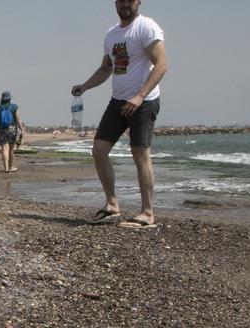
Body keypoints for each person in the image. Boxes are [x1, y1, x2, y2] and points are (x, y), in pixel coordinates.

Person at [72, 0, 168, 229]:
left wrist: (140, 96)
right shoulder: (111, 34)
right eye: (121, 0)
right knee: (99, 149)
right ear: (116, 3)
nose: (125, 4)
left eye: (130, 0)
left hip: (143, 101)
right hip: (118, 101)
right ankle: (112, 204)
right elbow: (107, 68)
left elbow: (161, 64)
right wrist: (85, 86)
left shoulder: (146, 27)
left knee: (140, 153)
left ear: (138, 2)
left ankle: (147, 213)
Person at [0, 92, 21, 173]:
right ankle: (10, 167)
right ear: (10, 98)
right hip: (12, 129)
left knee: (4, 148)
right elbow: (18, 119)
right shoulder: (14, 107)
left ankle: (6, 168)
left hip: (1, 129)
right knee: (11, 149)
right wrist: (21, 128)